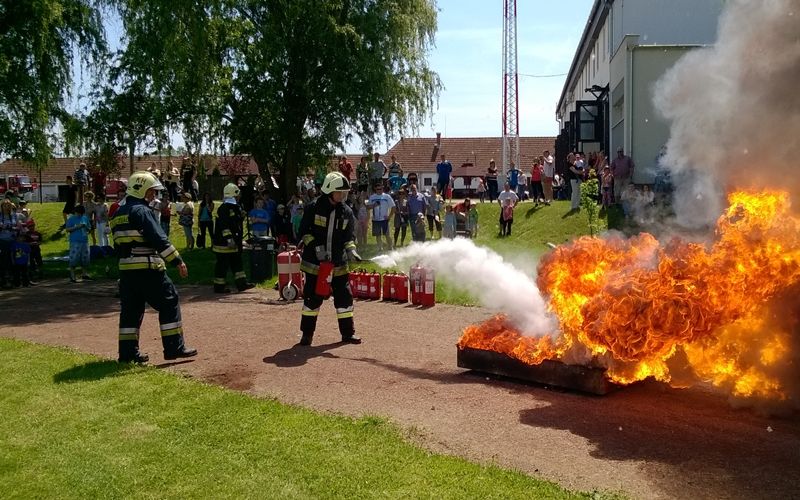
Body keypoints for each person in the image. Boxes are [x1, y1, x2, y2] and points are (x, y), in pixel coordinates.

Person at [109, 171, 196, 363]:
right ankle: (174, 348)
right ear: (140, 190)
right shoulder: (142, 211)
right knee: (169, 301)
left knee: (130, 311)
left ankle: (127, 353)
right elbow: (159, 239)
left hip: (126, 273)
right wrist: (178, 261)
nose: (153, 197)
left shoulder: (117, 214)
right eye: (151, 192)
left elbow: (118, 246)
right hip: (148, 269)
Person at [297, 171, 362, 346]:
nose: (343, 195)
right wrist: (316, 248)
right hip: (315, 265)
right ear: (329, 190)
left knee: (344, 298)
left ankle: (348, 334)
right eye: (340, 192)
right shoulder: (313, 207)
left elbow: (349, 237)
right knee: (312, 298)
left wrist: (352, 251)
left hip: (338, 264)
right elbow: (303, 232)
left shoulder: (346, 211)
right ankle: (307, 335)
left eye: (345, 192)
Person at [212, 183, 255, 293]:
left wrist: (242, 216)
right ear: (233, 195)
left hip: (234, 243)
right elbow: (224, 226)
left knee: (237, 263)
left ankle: (242, 284)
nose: (239, 196)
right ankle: (219, 287)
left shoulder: (235, 207)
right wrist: (229, 239)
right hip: (224, 244)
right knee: (222, 266)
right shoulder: (224, 208)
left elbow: (235, 223)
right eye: (238, 194)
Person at [65, 205, 92, 283]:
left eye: (81, 213)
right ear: (76, 212)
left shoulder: (85, 218)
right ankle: (72, 275)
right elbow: (67, 229)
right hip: (75, 241)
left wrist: (86, 227)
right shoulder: (71, 219)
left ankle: (84, 274)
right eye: (79, 213)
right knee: (74, 258)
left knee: (85, 258)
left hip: (84, 240)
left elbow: (89, 229)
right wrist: (77, 227)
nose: (80, 215)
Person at [366, 183, 395, 252]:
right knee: (378, 235)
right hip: (375, 220)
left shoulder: (387, 196)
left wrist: (389, 216)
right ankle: (380, 249)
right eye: (378, 189)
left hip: (384, 219)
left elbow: (393, 207)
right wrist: (374, 205)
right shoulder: (372, 197)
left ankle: (390, 248)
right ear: (375, 189)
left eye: (381, 189)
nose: (380, 190)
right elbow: (368, 207)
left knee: (387, 235)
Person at [0, 199, 19, 288]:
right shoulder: (0, 216)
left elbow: (17, 226)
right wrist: (9, 227)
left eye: (8, 206)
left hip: (13, 240)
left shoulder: (14, 216)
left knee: (14, 259)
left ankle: (15, 279)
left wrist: (12, 227)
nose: (6, 207)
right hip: (3, 240)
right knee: (5, 260)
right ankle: (5, 279)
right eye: (4, 206)